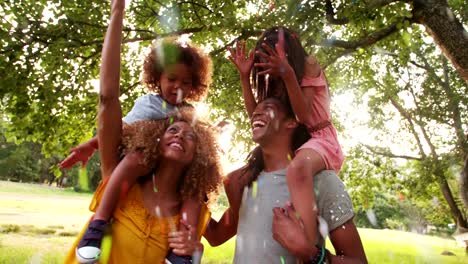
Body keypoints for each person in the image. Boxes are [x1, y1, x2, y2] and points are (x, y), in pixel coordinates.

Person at [65, 1, 222, 263]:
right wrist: (92, 145)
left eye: (186, 82)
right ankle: (99, 222)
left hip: (182, 191)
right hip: (140, 157)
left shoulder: (191, 115)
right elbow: (118, 124)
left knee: (196, 193)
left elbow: (216, 233)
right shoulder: (148, 105)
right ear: (157, 78)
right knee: (135, 159)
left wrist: (194, 249)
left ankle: (178, 255)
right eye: (171, 79)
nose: (178, 87)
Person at [200, 97, 367, 263]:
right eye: (256, 109)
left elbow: (358, 261)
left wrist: (310, 253)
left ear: (292, 122)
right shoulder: (245, 182)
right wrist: (185, 190)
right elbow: (215, 236)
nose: (256, 112)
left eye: (268, 107)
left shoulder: (321, 182)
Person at [228, 26, 344, 249]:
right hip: (296, 142)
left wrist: (288, 74)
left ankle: (307, 246)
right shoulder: (276, 81)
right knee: (235, 180)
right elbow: (256, 115)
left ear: (288, 53)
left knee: (297, 169)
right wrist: (244, 77)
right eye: (264, 63)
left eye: (272, 59)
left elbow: (303, 115)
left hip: (320, 138)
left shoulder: (308, 64)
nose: (269, 68)